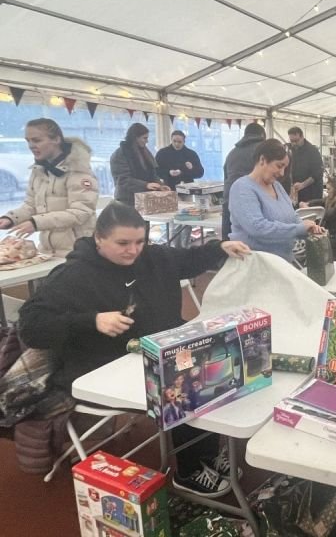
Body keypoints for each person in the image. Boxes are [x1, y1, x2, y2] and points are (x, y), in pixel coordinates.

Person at [17, 203, 252, 497]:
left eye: (140, 241)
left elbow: (190, 258)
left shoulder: (153, 257)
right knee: (188, 380)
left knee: (216, 361)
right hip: (102, 364)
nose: (133, 250)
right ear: (99, 238)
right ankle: (189, 470)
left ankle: (206, 454)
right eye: (123, 243)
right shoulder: (72, 276)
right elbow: (30, 326)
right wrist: (92, 320)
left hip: (156, 351)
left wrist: (220, 247)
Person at [0, 118, 98, 257]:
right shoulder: (38, 170)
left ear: (56, 139)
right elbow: (31, 206)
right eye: (28, 141)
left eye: (37, 140)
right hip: (47, 252)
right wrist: (11, 218)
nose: (31, 146)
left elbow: (81, 212)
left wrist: (36, 223)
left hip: (78, 251)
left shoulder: (79, 171)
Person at [229, 138, 322, 262]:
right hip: (255, 263)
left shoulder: (277, 186)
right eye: (279, 166)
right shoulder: (242, 188)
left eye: (284, 168)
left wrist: (307, 228)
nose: (282, 173)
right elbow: (257, 228)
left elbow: (292, 216)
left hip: (282, 261)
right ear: (262, 160)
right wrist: (298, 228)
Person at [222, 122, 266, 239]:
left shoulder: (232, 153)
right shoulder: (264, 151)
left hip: (229, 200)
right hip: (252, 201)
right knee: (252, 242)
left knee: (229, 242)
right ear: (262, 134)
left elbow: (226, 177)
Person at [109, 123, 168, 206]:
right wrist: (145, 185)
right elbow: (123, 180)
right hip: (127, 200)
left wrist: (160, 185)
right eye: (144, 138)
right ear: (135, 137)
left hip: (144, 199)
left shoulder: (145, 152)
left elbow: (152, 173)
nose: (147, 141)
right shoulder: (120, 154)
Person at [302, 175, 336, 262]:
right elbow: (321, 201)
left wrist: (309, 209)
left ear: (335, 189)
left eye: (329, 189)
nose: (327, 191)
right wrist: (307, 203)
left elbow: (328, 214)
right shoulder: (333, 199)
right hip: (335, 239)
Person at [287, 126, 323, 204]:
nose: (294, 144)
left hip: (312, 193)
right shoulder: (292, 149)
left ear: (302, 137)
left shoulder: (313, 151)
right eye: (292, 141)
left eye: (296, 141)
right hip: (298, 192)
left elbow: (317, 173)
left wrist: (303, 185)